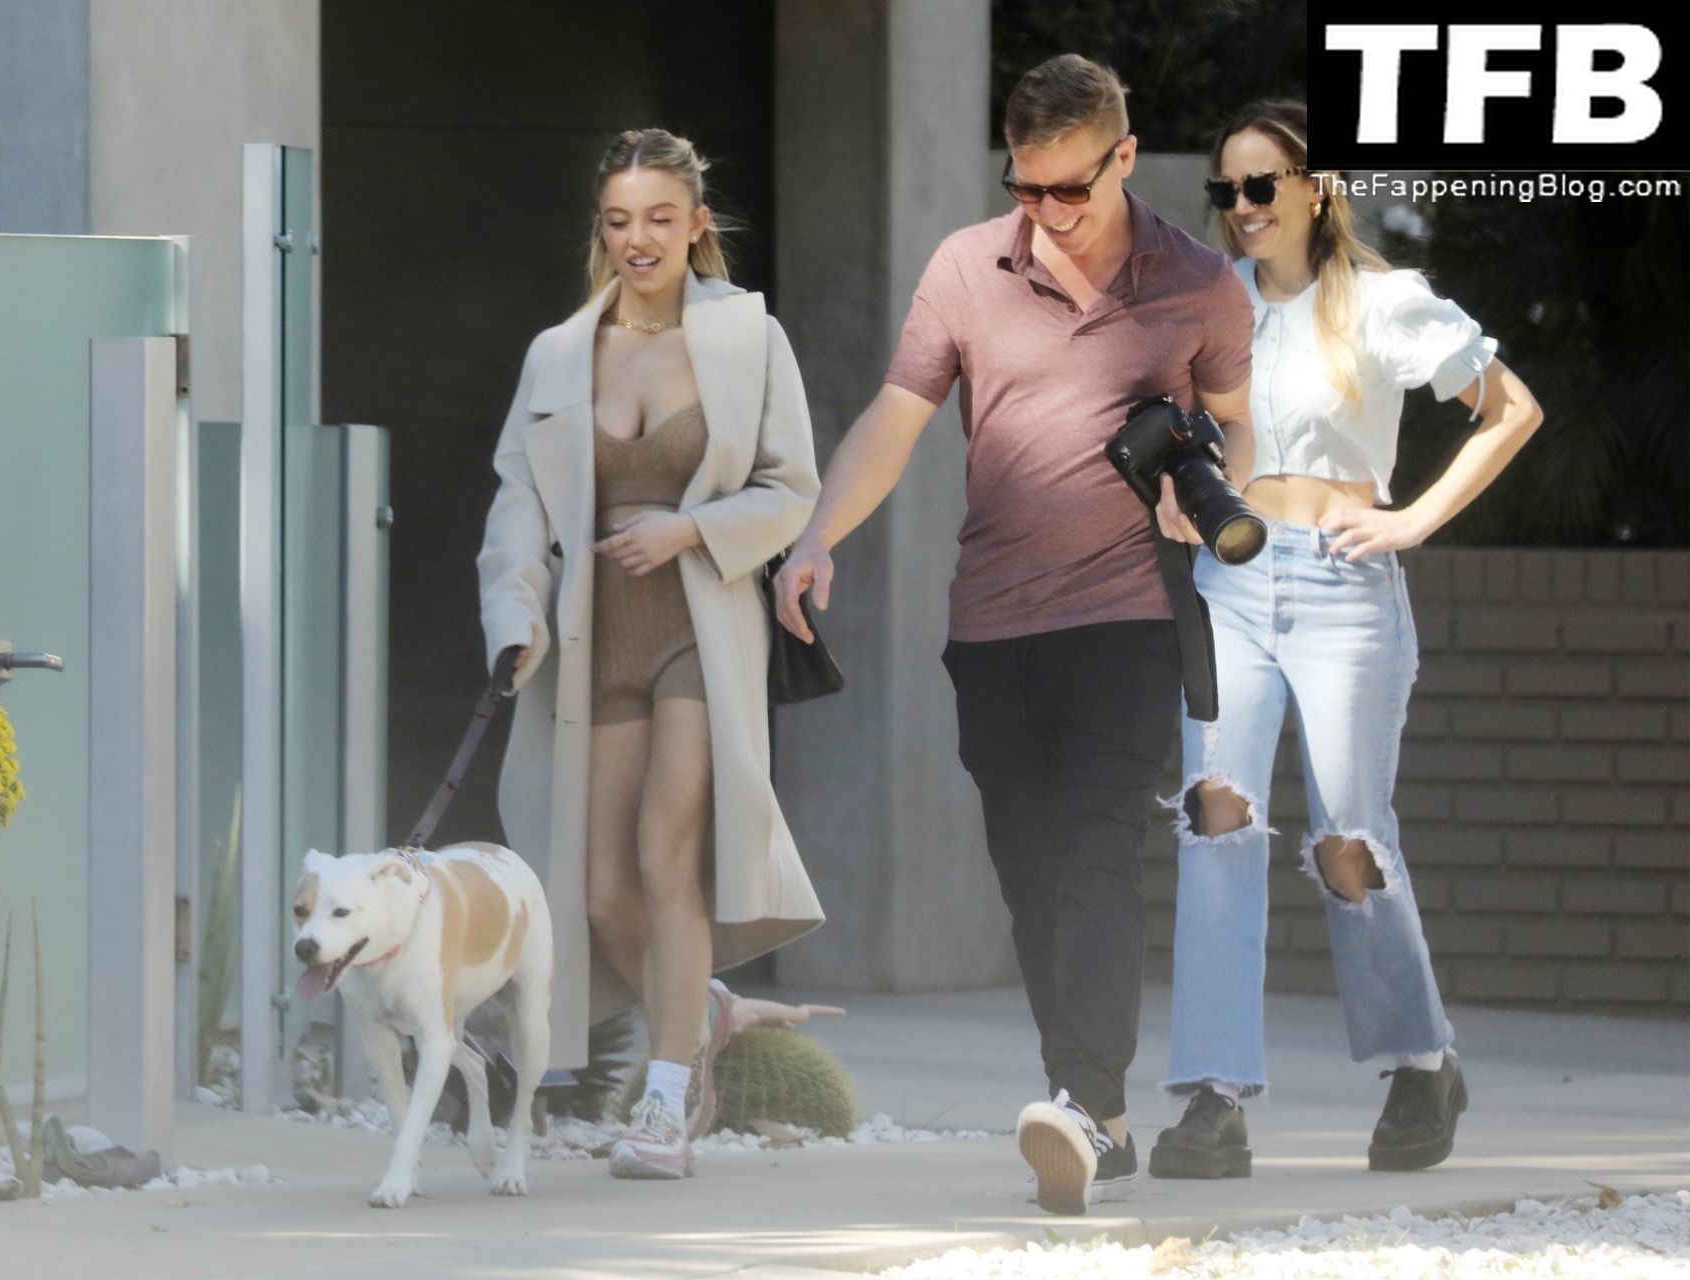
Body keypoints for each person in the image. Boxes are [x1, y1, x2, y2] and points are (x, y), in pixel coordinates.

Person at [773, 55, 1256, 1215]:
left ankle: (1080, 1099)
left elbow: (1241, 427)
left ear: (1124, 157)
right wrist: (819, 533)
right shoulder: (966, 266)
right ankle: (1101, 1119)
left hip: (1128, 620)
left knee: (1096, 856)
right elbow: (896, 419)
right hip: (992, 623)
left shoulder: (1197, 284)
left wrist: (1208, 489)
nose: (1047, 211)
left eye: (1070, 188)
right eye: (1026, 186)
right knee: (1033, 880)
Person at [1150, 100, 1544, 1181]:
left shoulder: (1383, 301)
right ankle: (1213, 1098)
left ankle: (1422, 1060)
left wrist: (1413, 519)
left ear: (1318, 189)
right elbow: (1181, 431)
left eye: (1261, 185)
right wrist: (1178, 495)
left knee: (1347, 839)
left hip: (1343, 586)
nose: (1241, 206)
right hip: (1231, 579)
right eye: (1225, 189)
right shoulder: (1210, 300)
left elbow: (1512, 409)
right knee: (1217, 815)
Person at [478, 128, 837, 1182]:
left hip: (697, 626)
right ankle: (703, 1007)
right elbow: (517, 500)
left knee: (664, 856)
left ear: (696, 225)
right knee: (597, 890)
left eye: (660, 218)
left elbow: (792, 488)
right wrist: (514, 613)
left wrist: (690, 529)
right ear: (602, 229)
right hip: (592, 639)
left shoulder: (747, 337)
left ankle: (667, 1101)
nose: (639, 239)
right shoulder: (558, 353)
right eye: (620, 219)